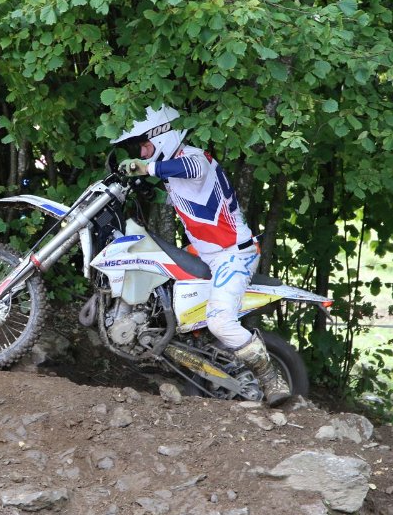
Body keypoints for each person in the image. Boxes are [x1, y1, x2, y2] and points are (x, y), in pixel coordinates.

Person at [113, 105, 290, 406]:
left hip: (233, 256)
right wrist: (144, 187)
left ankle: (272, 379)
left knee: (220, 322)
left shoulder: (194, 158)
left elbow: (192, 170)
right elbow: (186, 198)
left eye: (144, 145)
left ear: (162, 136)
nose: (141, 153)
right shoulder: (173, 170)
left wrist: (146, 169)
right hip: (206, 252)